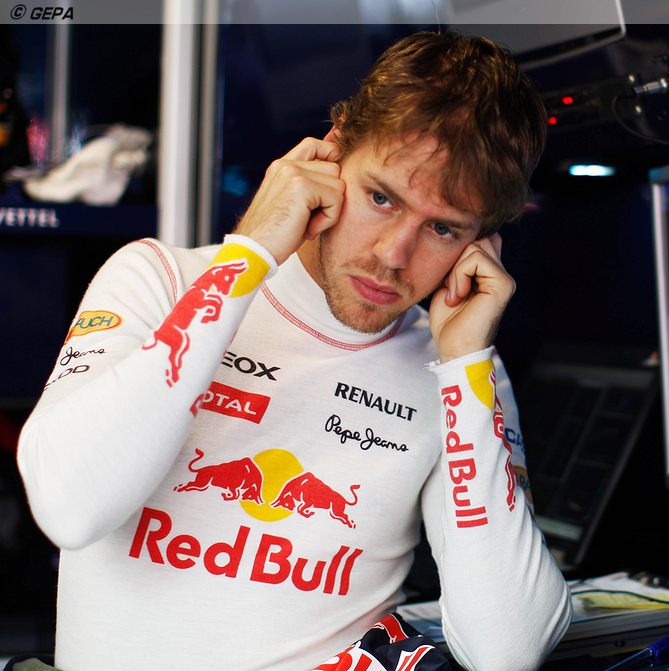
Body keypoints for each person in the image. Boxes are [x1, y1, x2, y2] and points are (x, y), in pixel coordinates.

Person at [17, 31, 572, 671]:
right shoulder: (158, 278)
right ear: (331, 153)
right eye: (382, 198)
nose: (393, 255)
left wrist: (467, 369)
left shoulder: (459, 368)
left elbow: (508, 651)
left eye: (442, 228)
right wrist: (246, 259)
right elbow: (68, 507)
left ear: (482, 242)